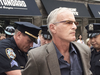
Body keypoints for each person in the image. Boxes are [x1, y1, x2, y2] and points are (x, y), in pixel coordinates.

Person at [22, 7, 92, 75]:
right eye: (68, 22)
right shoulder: (37, 56)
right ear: (53, 28)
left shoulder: (84, 50)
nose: (74, 27)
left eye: (75, 23)